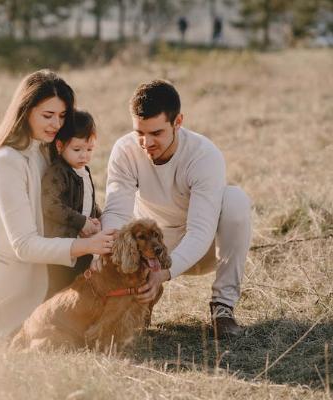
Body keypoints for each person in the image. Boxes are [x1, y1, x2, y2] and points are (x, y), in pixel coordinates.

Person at [0, 70, 116, 343]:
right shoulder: (5, 162)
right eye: (48, 115)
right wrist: (89, 246)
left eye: (62, 116)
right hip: (15, 280)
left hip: (51, 268)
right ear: (26, 110)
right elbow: (24, 245)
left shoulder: (45, 150)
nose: (57, 123)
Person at [101, 79, 252, 339]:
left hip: (202, 247)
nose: (146, 142)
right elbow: (116, 213)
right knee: (112, 229)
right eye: (140, 133)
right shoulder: (125, 150)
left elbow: (200, 230)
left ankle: (223, 308)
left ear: (178, 122)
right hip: (149, 247)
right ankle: (138, 301)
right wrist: (108, 256)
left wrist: (164, 273)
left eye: (156, 133)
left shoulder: (204, 155)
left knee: (236, 199)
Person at [41, 110, 102, 299]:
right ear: (60, 146)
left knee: (81, 285)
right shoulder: (58, 172)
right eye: (77, 150)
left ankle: (78, 319)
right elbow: (50, 205)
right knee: (59, 289)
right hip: (62, 247)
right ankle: (51, 323)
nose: (84, 155)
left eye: (89, 149)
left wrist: (97, 217)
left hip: (83, 245)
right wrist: (82, 222)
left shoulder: (84, 170)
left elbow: (87, 200)